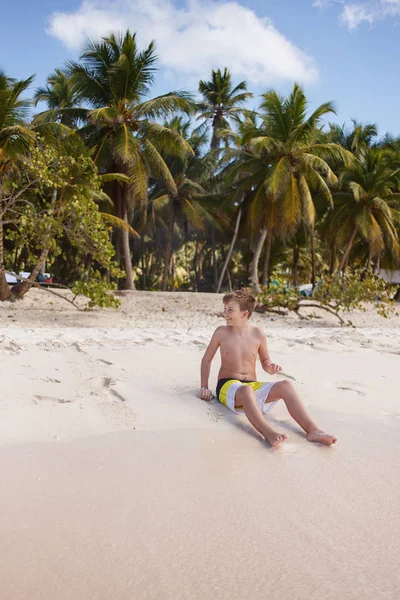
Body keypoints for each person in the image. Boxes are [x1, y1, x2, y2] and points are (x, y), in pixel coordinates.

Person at [199, 288, 337, 447]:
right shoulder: (221, 332)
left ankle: (313, 430)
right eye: (225, 309)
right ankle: (268, 432)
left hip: (251, 387)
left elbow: (265, 361)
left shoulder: (258, 334)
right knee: (246, 391)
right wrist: (204, 387)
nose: (225, 313)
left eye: (230, 310)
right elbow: (207, 360)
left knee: (285, 385)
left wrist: (270, 368)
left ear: (244, 314)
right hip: (228, 386)